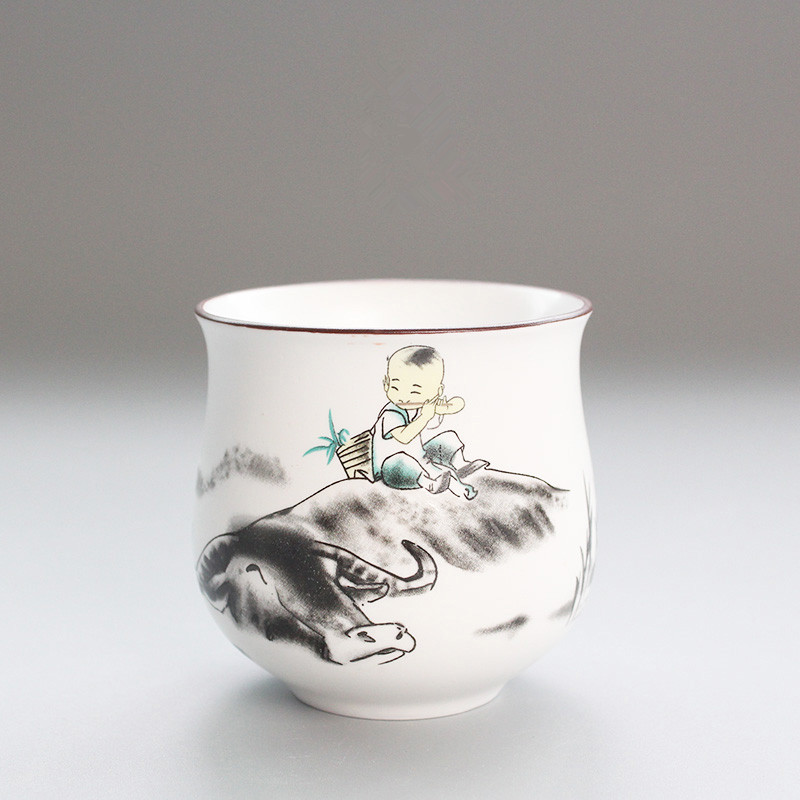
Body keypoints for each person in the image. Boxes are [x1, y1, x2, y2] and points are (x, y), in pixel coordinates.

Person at [371, 346, 487, 499]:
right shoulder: (391, 413)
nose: (404, 397)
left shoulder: (421, 406)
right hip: (392, 469)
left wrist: (443, 408)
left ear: (436, 391)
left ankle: (460, 472)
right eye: (396, 387)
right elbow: (404, 437)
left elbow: (457, 404)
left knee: (449, 437)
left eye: (415, 391)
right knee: (401, 461)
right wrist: (424, 417)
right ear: (386, 384)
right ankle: (428, 483)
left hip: (420, 459)